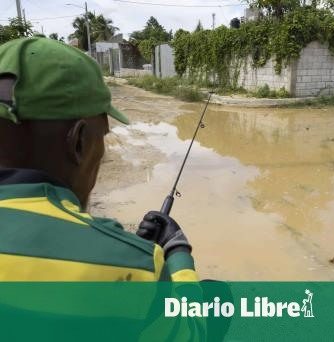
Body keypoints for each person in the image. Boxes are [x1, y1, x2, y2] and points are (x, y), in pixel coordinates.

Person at [0, 37, 197, 283]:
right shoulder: (136, 269)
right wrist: (176, 250)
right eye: (103, 136)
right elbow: (190, 318)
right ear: (79, 142)